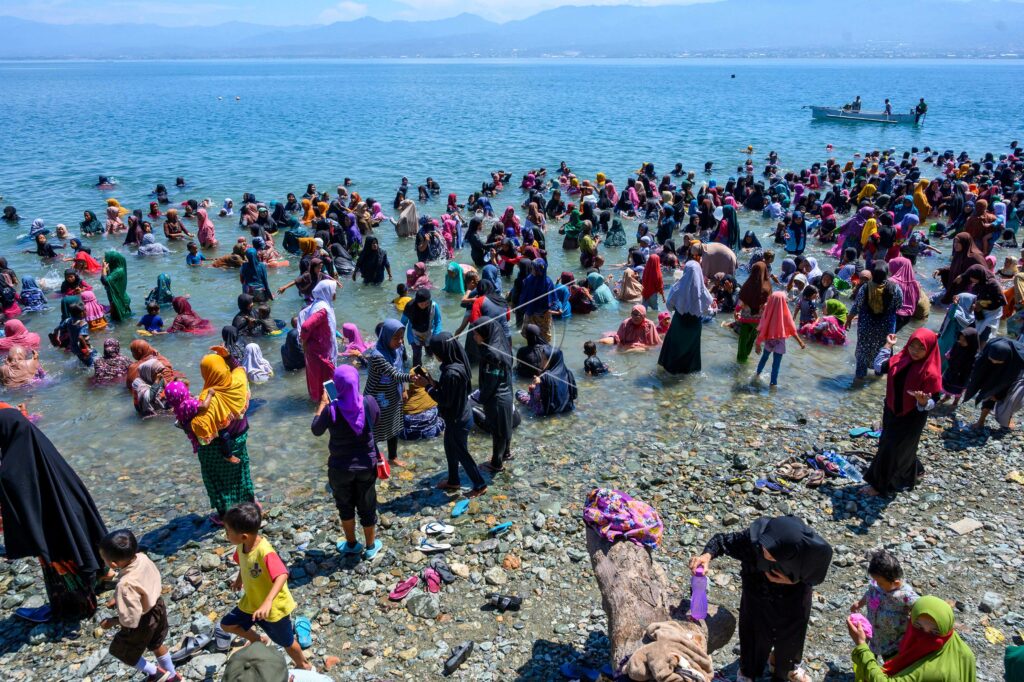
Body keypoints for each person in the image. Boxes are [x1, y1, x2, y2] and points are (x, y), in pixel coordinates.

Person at [690, 516, 833, 682]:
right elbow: (721, 541)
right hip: (757, 591)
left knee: (792, 635)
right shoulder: (755, 540)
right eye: (765, 547)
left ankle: (786, 668)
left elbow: (815, 576)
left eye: (772, 552)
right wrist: (706, 556)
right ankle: (747, 673)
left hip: (795, 596)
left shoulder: (812, 552)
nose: (765, 551)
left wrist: (794, 580)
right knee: (754, 634)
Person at [0, 406, 108, 622]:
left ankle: (73, 609)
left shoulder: (10, 471)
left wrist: (39, 549)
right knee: (81, 545)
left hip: (54, 533)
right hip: (77, 518)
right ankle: (103, 575)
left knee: (60, 565)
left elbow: (24, 516)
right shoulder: (42, 448)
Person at [218, 503, 312, 672]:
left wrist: (268, 602)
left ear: (243, 536)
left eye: (228, 531)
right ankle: (258, 640)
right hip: (253, 602)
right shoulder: (242, 546)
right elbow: (244, 564)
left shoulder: (265, 552)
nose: (226, 535)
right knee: (227, 624)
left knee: (286, 642)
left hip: (273, 608)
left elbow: (282, 574)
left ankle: (304, 665)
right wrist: (239, 579)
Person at [312, 365, 382, 559]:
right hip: (366, 465)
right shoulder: (368, 402)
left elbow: (316, 429)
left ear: (337, 385)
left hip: (340, 467)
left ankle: (351, 544)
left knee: (345, 505)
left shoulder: (331, 410)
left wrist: (322, 403)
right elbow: (376, 420)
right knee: (367, 505)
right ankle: (370, 547)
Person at [861, 329, 942, 497]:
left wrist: (923, 402)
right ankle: (915, 471)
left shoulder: (931, 372)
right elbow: (879, 366)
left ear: (930, 348)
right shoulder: (900, 358)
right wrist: (888, 345)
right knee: (896, 445)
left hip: (912, 416)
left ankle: (879, 486)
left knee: (890, 448)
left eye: (921, 348)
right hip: (891, 409)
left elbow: (934, 400)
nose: (915, 351)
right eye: (912, 346)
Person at [98, 529, 180, 682]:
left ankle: (156, 673)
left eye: (103, 559)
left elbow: (130, 620)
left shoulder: (124, 585)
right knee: (156, 644)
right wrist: (118, 598)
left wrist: (112, 622)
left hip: (144, 620)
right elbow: (142, 584)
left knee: (121, 652)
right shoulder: (142, 558)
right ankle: (173, 676)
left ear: (113, 564)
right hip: (158, 607)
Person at [413, 333, 487, 497]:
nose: (435, 355)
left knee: (461, 453)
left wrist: (427, 387)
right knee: (450, 448)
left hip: (457, 419)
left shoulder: (451, 373)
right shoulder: (458, 364)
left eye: (435, 352)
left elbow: (445, 400)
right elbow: (452, 391)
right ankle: (453, 480)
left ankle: (480, 485)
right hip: (462, 413)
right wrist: (434, 383)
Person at [190, 351, 256, 523]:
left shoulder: (208, 398)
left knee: (217, 478)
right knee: (241, 471)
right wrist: (228, 357)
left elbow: (202, 431)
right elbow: (240, 369)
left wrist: (188, 417)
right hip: (241, 437)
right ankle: (251, 506)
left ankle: (225, 515)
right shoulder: (237, 383)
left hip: (220, 446)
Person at [847, 595, 975, 682]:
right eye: (918, 627)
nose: (923, 637)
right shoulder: (963, 651)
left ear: (945, 630)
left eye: (934, 632)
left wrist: (862, 645)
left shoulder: (930, 672)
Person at [850, 549, 919, 662]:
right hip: (873, 633)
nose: (877, 584)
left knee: (891, 663)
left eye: (880, 583)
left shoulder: (904, 595)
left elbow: (921, 606)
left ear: (896, 583)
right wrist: (860, 603)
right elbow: (869, 594)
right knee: (868, 657)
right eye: (875, 580)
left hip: (892, 641)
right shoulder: (877, 585)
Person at [361, 319, 415, 466]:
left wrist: (405, 388)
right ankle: (375, 459)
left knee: (394, 426)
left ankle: (393, 457)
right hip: (377, 398)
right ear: (386, 336)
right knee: (374, 429)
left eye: (401, 337)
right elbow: (394, 374)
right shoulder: (376, 356)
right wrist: (412, 378)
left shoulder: (399, 349)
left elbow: (402, 368)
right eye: (396, 338)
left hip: (393, 395)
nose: (400, 341)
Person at [472, 316, 515, 473]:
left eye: (476, 334)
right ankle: (506, 453)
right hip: (506, 393)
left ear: (485, 333)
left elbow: (490, 382)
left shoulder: (491, 354)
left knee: (498, 433)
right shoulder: (503, 346)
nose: (474, 337)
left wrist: (480, 398)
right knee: (505, 427)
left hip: (497, 398)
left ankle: (496, 464)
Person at [848, 264, 903, 379]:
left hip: (866, 326)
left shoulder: (865, 288)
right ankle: (879, 375)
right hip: (886, 328)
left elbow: (856, 306)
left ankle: (859, 378)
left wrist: (849, 319)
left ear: (873, 274)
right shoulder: (895, 288)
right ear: (886, 274)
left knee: (863, 351)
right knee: (883, 351)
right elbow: (899, 305)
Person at [659, 260, 713, 375]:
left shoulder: (677, 287)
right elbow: (707, 310)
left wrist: (680, 307)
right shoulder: (703, 291)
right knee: (691, 349)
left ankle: (670, 372)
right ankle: (688, 373)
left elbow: (669, 306)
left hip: (679, 322)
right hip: (694, 325)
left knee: (675, 347)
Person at [962, 337, 1024, 431]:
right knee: (987, 393)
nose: (994, 362)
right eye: (992, 359)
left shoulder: (1017, 360)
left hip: (1010, 373)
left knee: (1009, 400)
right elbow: (978, 370)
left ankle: (1007, 417)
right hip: (991, 368)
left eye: (997, 361)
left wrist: (999, 395)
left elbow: (1009, 380)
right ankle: (981, 420)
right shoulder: (990, 349)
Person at [298, 281, 339, 402]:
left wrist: (305, 342)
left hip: (315, 348)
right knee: (329, 376)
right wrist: (304, 341)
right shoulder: (323, 310)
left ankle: (318, 402)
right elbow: (306, 327)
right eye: (333, 291)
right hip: (320, 351)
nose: (335, 293)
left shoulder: (317, 304)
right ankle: (333, 402)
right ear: (327, 292)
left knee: (317, 377)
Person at [755, 291, 806, 387]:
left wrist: (758, 343)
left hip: (769, 340)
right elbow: (792, 329)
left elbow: (761, 327)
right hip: (780, 342)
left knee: (764, 358)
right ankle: (773, 383)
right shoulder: (785, 313)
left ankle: (757, 374)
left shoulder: (767, 311)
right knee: (776, 364)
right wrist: (800, 342)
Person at [401, 289, 442, 368]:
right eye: (421, 304)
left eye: (426, 303)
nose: (424, 306)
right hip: (414, 334)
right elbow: (403, 322)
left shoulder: (434, 306)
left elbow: (438, 322)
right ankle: (416, 372)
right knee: (417, 355)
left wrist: (435, 336)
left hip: (429, 334)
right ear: (417, 302)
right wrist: (401, 335)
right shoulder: (410, 307)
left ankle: (430, 369)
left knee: (430, 354)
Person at [101, 250, 132, 323]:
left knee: (120, 322)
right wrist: (106, 270)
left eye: (106, 259)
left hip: (118, 300)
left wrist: (103, 269)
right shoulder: (115, 270)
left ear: (112, 260)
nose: (104, 261)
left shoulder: (118, 271)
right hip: (117, 298)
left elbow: (105, 281)